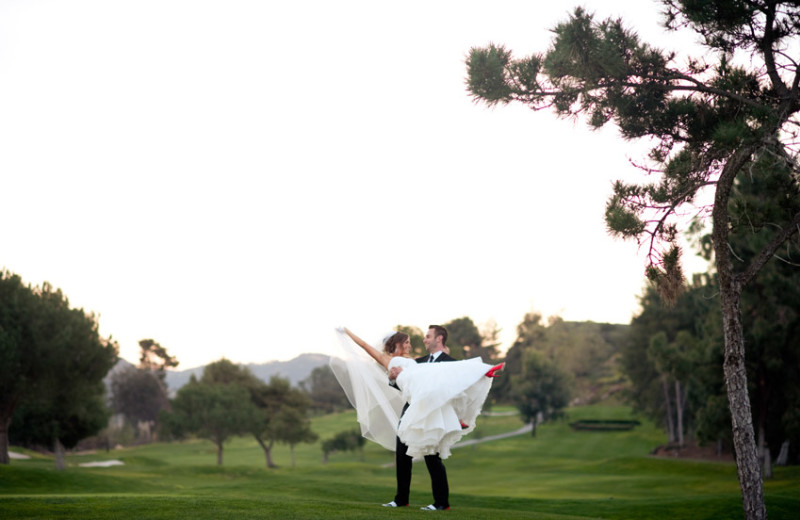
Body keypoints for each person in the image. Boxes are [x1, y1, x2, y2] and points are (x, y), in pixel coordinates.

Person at [333, 325, 503, 511]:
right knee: (402, 454)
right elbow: (406, 382)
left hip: (434, 412)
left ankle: (441, 503)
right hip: (412, 410)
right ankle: (401, 500)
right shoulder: (417, 361)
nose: (422, 340)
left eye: (428, 336)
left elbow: (460, 378)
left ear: (439, 339)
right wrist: (392, 378)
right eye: (408, 341)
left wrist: (482, 373)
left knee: (432, 456)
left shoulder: (449, 363)